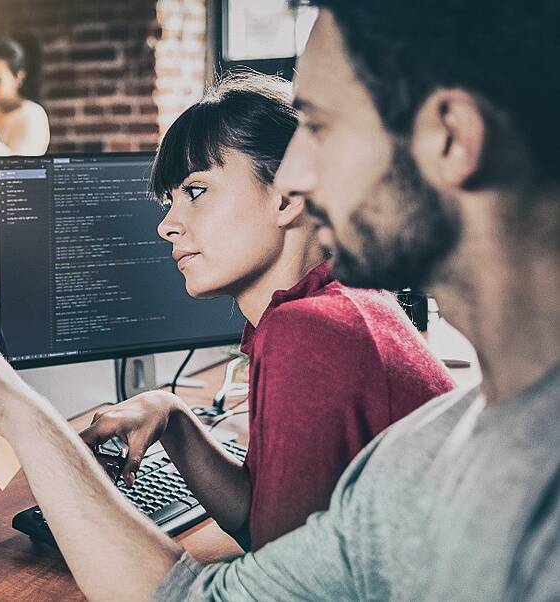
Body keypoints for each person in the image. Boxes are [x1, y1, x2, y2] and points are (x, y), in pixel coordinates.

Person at [0, 1, 560, 600]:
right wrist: (173, 416)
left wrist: (22, 415)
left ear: (451, 137)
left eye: (318, 126)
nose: (297, 172)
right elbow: (255, 559)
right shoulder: (432, 444)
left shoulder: (318, 335)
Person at [79, 71, 452, 552]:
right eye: (168, 201)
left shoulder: (310, 331)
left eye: (195, 190)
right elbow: (262, 525)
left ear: (289, 194)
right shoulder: (337, 302)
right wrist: (172, 415)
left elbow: (274, 576)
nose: (167, 226)